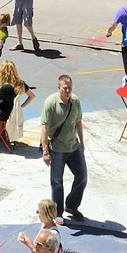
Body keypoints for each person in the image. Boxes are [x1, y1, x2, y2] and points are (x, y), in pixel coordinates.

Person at [40, 75, 86, 220]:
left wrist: (82, 143)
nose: (67, 91)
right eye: (65, 88)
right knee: (57, 182)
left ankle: (71, 206)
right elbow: (44, 128)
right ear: (58, 87)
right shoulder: (50, 103)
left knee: (82, 177)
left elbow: (78, 122)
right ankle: (58, 213)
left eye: (70, 88)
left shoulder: (75, 101)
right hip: (57, 149)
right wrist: (45, 151)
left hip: (74, 147)